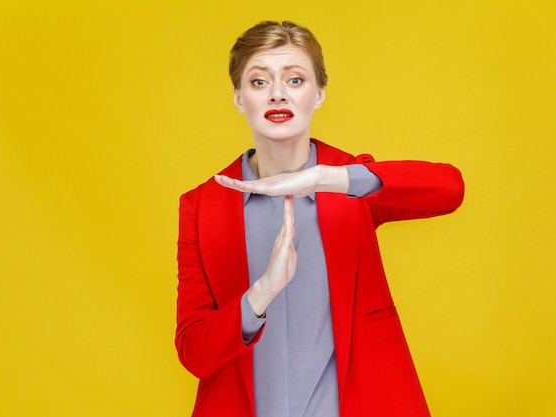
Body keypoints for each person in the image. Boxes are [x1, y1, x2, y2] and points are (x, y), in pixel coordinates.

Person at [175, 20, 464, 417]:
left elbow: (449, 190)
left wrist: (330, 177)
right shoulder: (202, 205)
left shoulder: (352, 186)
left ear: (319, 94)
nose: (277, 94)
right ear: (239, 98)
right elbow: (194, 353)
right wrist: (259, 295)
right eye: (259, 82)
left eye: (295, 80)